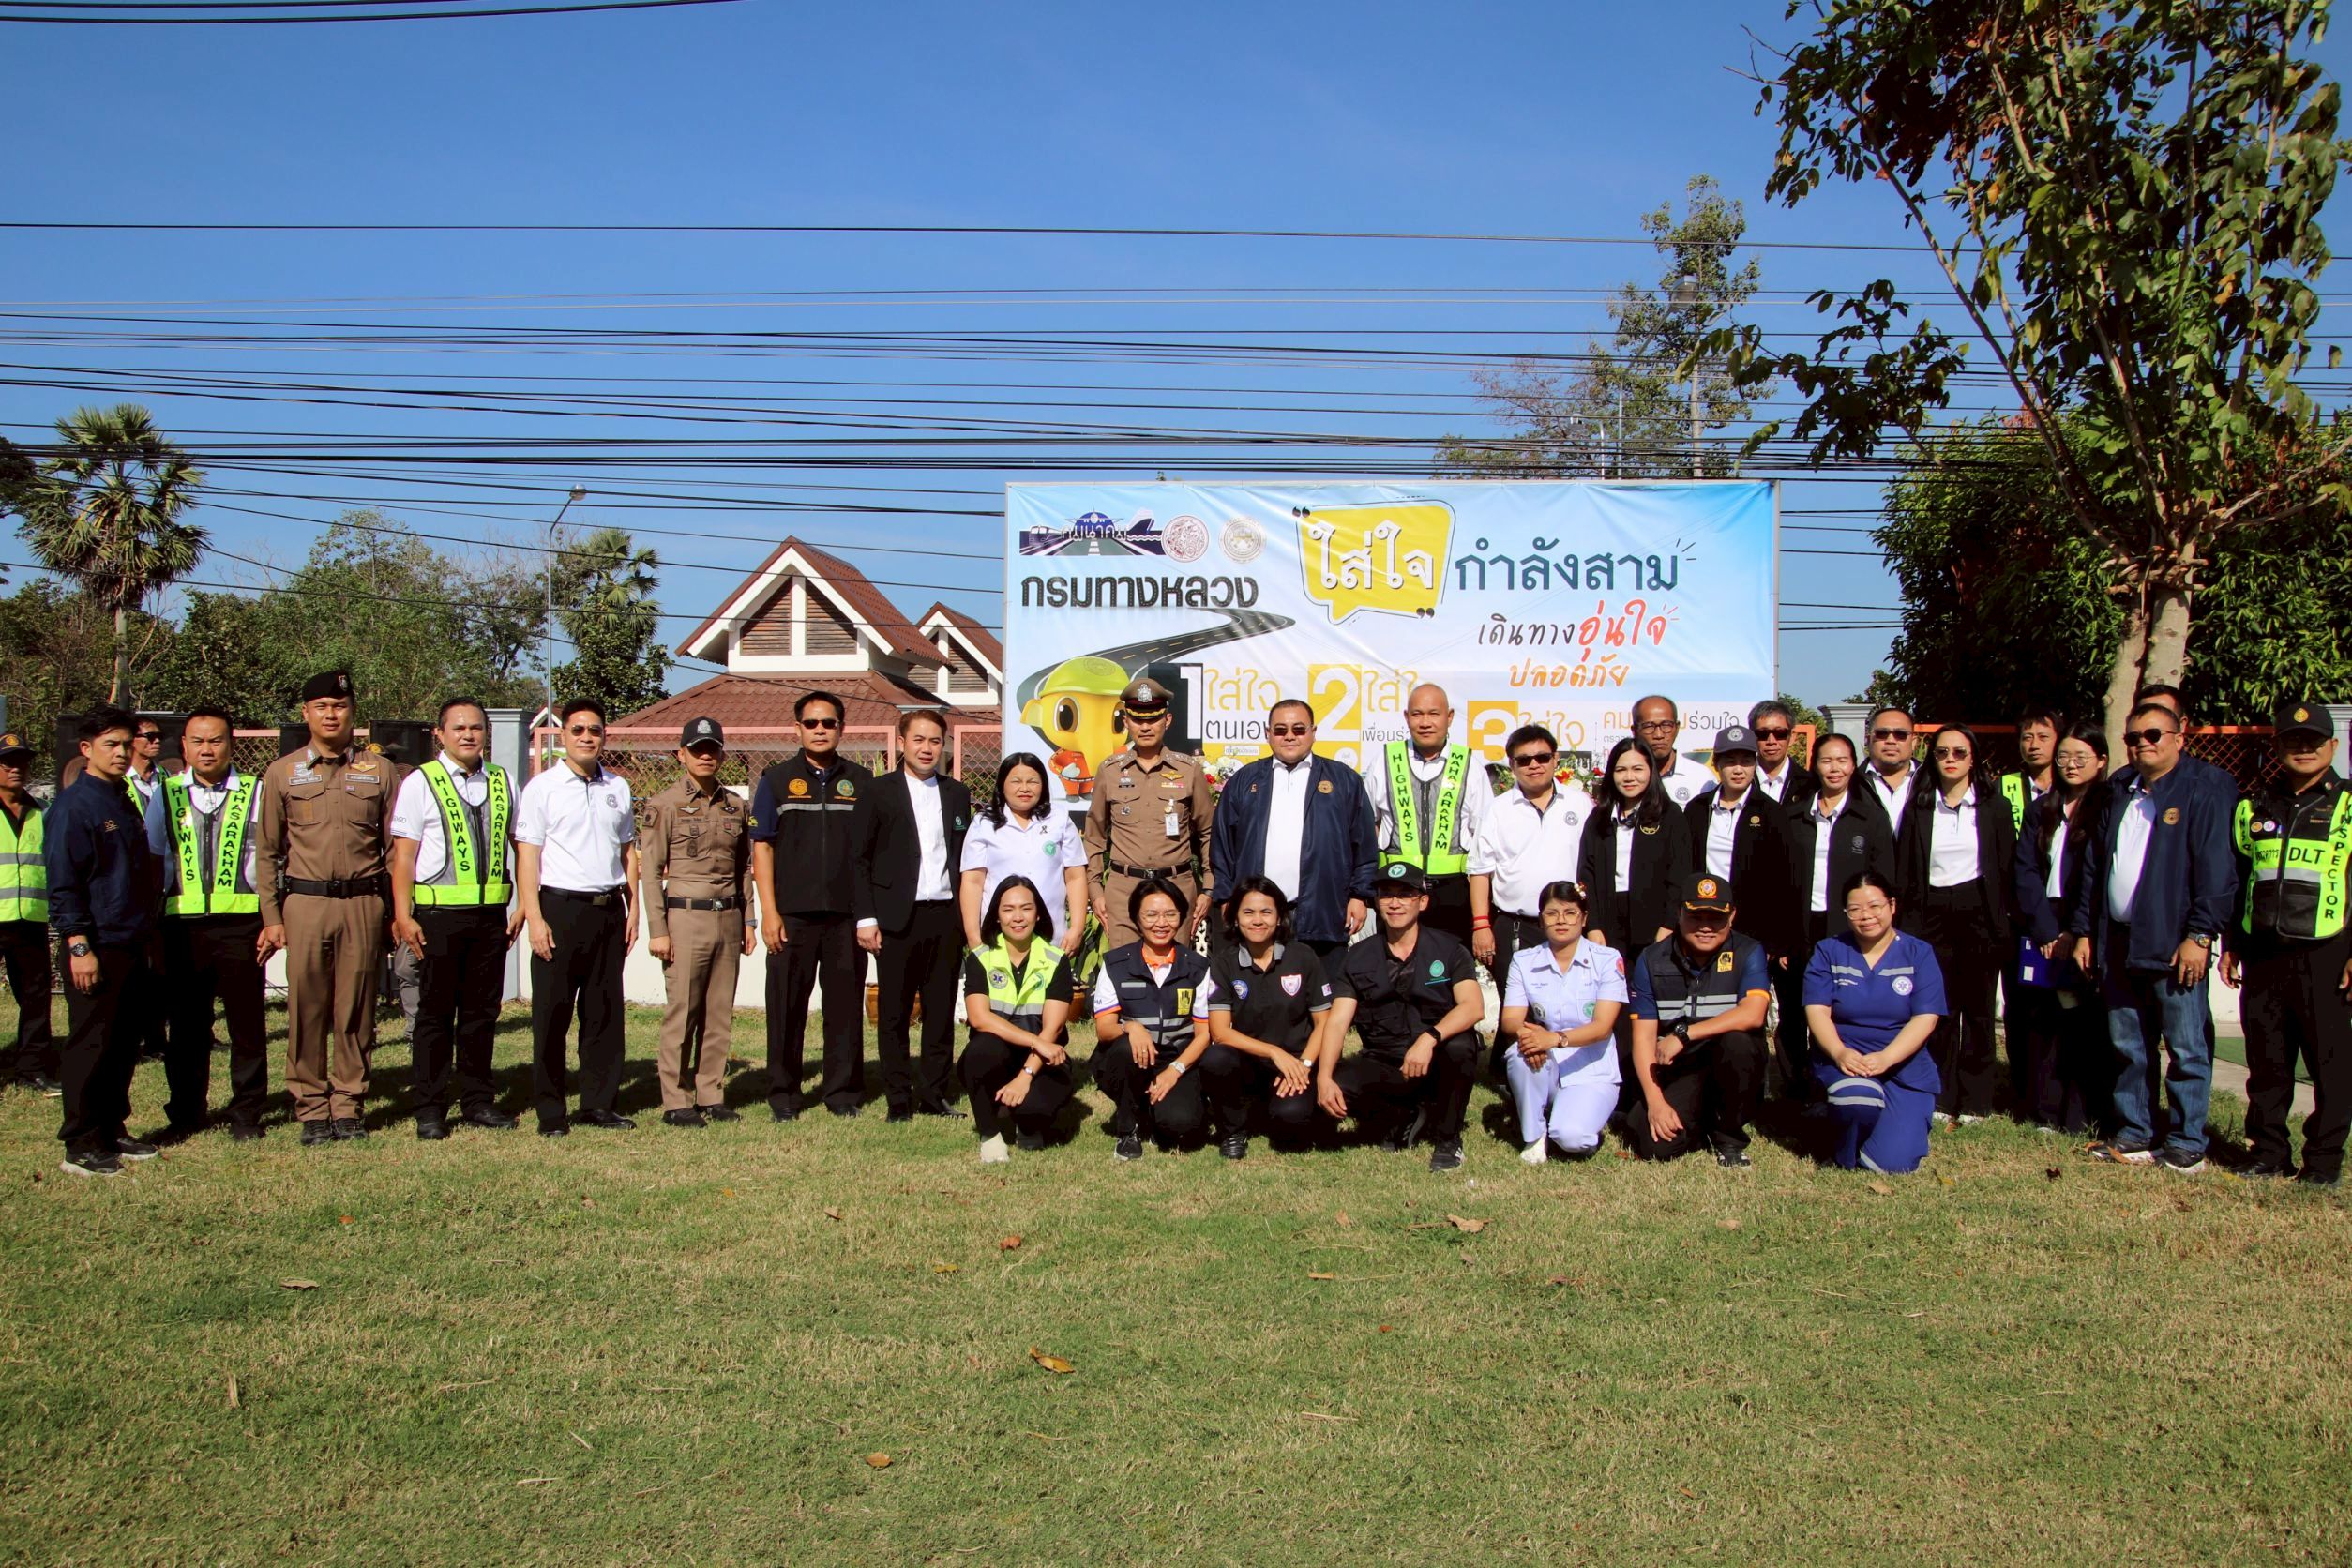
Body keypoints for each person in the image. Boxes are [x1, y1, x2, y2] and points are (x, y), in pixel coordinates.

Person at [2061, 701, 2235, 1170]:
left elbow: (2217, 870)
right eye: (2134, 738)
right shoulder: (2120, 788)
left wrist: (2200, 934)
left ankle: (2187, 1141)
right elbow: (2095, 866)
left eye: (2153, 735)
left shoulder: (2205, 786)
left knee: (2186, 1048)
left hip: (2174, 942)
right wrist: (2084, 932)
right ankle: (2136, 1132)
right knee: (2129, 1046)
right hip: (2118, 940)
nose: (2143, 744)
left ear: (2179, 737)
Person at [255, 671, 394, 1145]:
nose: (331, 714)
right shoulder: (282, 772)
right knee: (306, 1009)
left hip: (363, 903)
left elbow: (394, 849)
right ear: (306, 714)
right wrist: (272, 916)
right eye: (321, 707)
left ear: (352, 711)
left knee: (357, 1008)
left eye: (339, 706)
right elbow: (267, 851)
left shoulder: (379, 771)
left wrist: (395, 912)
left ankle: (348, 1102)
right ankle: (312, 1105)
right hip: (307, 904)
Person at [2222, 701, 2350, 1186]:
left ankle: (2323, 1162)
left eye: (2314, 740)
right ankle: (2269, 1152)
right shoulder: (2253, 805)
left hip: (2327, 953)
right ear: (2277, 747)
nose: (2304, 748)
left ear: (2332, 745)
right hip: (2263, 953)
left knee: (2330, 1065)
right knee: (2267, 1061)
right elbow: (2239, 881)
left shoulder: (2349, 804)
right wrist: (2232, 943)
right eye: (2293, 740)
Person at [388, 696, 521, 1139]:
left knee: (482, 1014)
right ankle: (430, 1107)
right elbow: (403, 857)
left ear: (486, 733)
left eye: (476, 728)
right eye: (459, 728)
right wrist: (403, 914)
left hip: (490, 918)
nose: (468, 735)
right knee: (435, 1015)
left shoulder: (502, 780)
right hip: (438, 917)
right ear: (439, 734)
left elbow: (522, 847)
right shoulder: (420, 782)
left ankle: (478, 1101)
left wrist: (524, 903)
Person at [515, 696, 641, 1137]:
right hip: (560, 910)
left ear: (605, 735)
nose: (587, 737)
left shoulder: (618, 787)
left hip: (608, 911)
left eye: (595, 730)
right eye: (578, 730)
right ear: (563, 735)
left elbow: (628, 852)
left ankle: (598, 1105)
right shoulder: (542, 788)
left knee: (604, 1014)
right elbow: (528, 857)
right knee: (552, 1016)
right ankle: (551, 1111)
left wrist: (634, 909)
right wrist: (534, 918)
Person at [45, 707, 160, 1177]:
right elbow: (64, 883)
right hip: (96, 944)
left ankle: (111, 1127)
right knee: (91, 1043)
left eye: (127, 744)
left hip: (130, 940)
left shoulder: (122, 799)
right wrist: (78, 945)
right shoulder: (74, 807)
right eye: (111, 744)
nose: (121, 752)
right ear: (86, 749)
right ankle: (80, 1142)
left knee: (123, 1042)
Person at [145, 705, 266, 1142]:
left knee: (246, 1026)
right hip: (183, 928)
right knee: (187, 1027)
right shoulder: (165, 793)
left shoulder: (256, 790)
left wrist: (272, 920)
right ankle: (185, 1112)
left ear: (231, 744)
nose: (207, 749)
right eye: (197, 741)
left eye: (216, 740)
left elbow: (273, 859)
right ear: (184, 746)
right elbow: (152, 862)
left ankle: (246, 1113)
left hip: (242, 925)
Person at [749, 689, 870, 1121]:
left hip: (845, 917)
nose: (820, 730)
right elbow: (761, 847)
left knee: (844, 1010)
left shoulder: (861, 781)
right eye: (812, 723)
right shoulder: (776, 780)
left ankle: (842, 1093)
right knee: (785, 1008)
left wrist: (867, 915)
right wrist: (769, 912)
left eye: (829, 723)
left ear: (842, 728)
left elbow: (870, 850)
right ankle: (784, 1093)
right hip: (791, 917)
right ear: (797, 728)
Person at [1319, 861, 1484, 1172]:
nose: (1394, 903)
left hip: (1435, 1059)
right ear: (1377, 902)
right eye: (1386, 895)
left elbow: (1473, 1007)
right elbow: (1337, 1022)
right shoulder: (1357, 957)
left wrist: (1429, 1039)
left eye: (1405, 895)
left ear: (1423, 902)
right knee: (1339, 1086)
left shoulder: (1450, 949)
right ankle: (1401, 1114)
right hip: (1386, 1061)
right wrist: (1324, 1077)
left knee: (1461, 1046)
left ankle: (1448, 1139)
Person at [853, 707, 972, 1121]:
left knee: (940, 1011)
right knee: (894, 1012)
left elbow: (962, 857)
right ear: (902, 743)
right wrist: (866, 918)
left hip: (945, 916)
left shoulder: (957, 794)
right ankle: (898, 1098)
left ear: (944, 746)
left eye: (935, 741)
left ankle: (934, 1094)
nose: (926, 748)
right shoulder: (877, 791)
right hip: (895, 918)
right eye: (918, 740)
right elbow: (860, 859)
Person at [1895, 723, 2015, 1125]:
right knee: (1939, 1010)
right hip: (1931, 914)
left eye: (1959, 753)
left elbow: (2005, 868)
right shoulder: (1919, 806)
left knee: (1979, 1010)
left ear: (1973, 758)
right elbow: (1906, 869)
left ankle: (1977, 1100)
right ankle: (1942, 1095)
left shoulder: (1994, 806)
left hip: (1979, 911)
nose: (1950, 760)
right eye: (1942, 752)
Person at [641, 717, 754, 1129]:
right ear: (681, 754)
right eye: (697, 749)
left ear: (722, 754)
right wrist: (658, 930)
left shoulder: (735, 805)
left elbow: (744, 867)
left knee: (719, 1011)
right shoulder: (664, 804)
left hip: (728, 917)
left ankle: (711, 1094)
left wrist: (749, 919)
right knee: (683, 1011)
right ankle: (675, 1100)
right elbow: (650, 873)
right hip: (685, 917)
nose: (706, 756)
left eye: (712, 749)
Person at [1207, 699, 1376, 958]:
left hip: (1322, 914)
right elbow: (1222, 847)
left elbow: (1364, 847)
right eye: (1280, 730)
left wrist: (1359, 896)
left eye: (1298, 729)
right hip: (1258, 918)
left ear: (1313, 732)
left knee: (1322, 984)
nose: (1289, 736)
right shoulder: (1244, 781)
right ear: (1268, 733)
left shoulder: (1344, 780)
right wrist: (1227, 897)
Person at [1778, 733, 1895, 1103]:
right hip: (1799, 926)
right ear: (1814, 765)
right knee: (1794, 1011)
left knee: (1838, 1011)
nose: (1835, 768)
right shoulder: (1793, 816)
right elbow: (1776, 879)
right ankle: (1795, 1090)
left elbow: (1884, 879)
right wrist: (1780, 939)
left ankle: (1836, 1083)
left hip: (1847, 929)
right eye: (1827, 760)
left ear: (1853, 765)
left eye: (1842, 760)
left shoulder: (1869, 818)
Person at [1803, 872, 1947, 1173]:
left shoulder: (1918, 953)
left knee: (1893, 1164)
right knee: (1857, 1098)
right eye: (1855, 909)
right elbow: (1817, 1012)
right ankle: (1838, 1141)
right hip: (1848, 1058)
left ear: (1892, 906)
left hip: (1902, 1064)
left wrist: (1887, 1058)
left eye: (1874, 906)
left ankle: (1870, 1129)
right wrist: (1839, 1052)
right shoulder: (1829, 951)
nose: (1866, 916)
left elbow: (1926, 1018)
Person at [1625, 875, 1772, 1167]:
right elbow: (1643, 1038)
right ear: (1679, 913)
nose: (1705, 926)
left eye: (1716, 917)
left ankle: (1729, 1136)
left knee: (1739, 1042)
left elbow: (1753, 1014)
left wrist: (1684, 1034)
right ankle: (1702, 1119)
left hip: (1729, 1061)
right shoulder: (1651, 959)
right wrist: (1655, 1102)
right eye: (1696, 916)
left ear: (1732, 916)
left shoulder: (1749, 951)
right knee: (1656, 1147)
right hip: (1681, 1071)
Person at [2013, 721, 2112, 1135]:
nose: (2070, 765)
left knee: (2084, 1021)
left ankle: (2082, 1112)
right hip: (2045, 923)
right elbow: (2025, 870)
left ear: (2101, 761)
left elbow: (2098, 874)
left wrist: (2077, 930)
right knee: (2044, 1019)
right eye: (2065, 757)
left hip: (2086, 925)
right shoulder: (2043, 808)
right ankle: (2045, 1110)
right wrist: (2047, 930)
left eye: (2080, 757)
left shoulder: (2109, 808)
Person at [1196, 877, 1337, 1158]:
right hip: (1249, 1062)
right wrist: (1273, 1052)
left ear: (1280, 917)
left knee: (1290, 1124)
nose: (1257, 920)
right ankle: (1233, 1130)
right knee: (1215, 1058)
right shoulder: (1224, 962)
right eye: (1248, 912)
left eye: (1266, 912)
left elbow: (1325, 1023)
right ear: (1235, 918)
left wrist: (1304, 1065)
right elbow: (1220, 1032)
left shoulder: (1303, 956)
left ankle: (1284, 1107)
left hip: (1296, 1063)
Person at [1495, 880, 1626, 1164]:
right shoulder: (1524, 961)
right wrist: (1530, 1038)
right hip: (1547, 1060)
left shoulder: (1607, 959)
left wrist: (1554, 1039)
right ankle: (1534, 1135)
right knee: (1519, 1053)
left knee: (1571, 1139)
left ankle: (1575, 1118)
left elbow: (1602, 1027)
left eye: (1570, 913)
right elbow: (1510, 1020)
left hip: (1592, 1069)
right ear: (1541, 920)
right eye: (1552, 913)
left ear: (1584, 918)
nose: (1561, 921)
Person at [1083, 676, 1215, 950]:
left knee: (1174, 970)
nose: (1145, 727)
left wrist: (1209, 888)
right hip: (1123, 891)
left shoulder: (1188, 770)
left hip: (1176, 888)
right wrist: (1095, 889)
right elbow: (1094, 835)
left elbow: (1208, 832)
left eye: (1153, 719)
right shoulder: (1110, 770)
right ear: (1126, 722)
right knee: (1125, 970)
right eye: (1138, 719)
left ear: (1167, 720)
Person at [1090, 876, 1213, 1160]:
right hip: (1130, 1058)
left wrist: (1175, 1071)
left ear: (1181, 917)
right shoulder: (1116, 963)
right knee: (1125, 1047)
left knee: (1181, 1125)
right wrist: (1131, 1027)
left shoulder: (1197, 967)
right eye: (1151, 915)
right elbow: (1104, 1029)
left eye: (1170, 914)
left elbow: (1204, 1034)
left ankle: (1155, 1111)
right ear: (1136, 918)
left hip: (1175, 1059)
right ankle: (1128, 1129)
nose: (1161, 923)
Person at [957, 875, 1075, 1162]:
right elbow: (979, 1018)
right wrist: (1036, 1041)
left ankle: (1027, 1122)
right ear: (996, 916)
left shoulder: (1056, 960)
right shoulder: (980, 958)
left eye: (1026, 908)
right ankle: (989, 1134)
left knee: (1035, 1109)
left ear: (1038, 914)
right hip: (997, 1054)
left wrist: (1025, 1076)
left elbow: (1053, 1028)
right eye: (1008, 909)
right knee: (980, 1051)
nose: (1018, 917)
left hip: (1042, 1061)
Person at [1364, 684, 1491, 948]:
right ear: (1406, 717)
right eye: (1417, 714)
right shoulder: (1384, 760)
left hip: (1452, 893)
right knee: (1395, 966)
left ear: (1450, 717)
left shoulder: (1470, 765)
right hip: (1396, 888)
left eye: (1434, 713)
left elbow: (1483, 838)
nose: (1425, 722)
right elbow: (1366, 827)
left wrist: (1481, 918)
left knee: (1448, 968)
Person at [1470, 723, 1595, 981]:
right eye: (1524, 760)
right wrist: (1481, 924)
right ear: (1512, 765)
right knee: (1515, 1002)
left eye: (1542, 757)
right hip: (1516, 927)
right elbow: (1480, 871)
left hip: (1570, 926)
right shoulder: (1497, 809)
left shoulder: (1580, 803)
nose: (1534, 765)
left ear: (1555, 759)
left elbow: (1595, 864)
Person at [1683, 724, 1795, 960]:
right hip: (1704, 920)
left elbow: (1783, 880)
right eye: (1730, 762)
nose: (1738, 770)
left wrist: (1775, 941)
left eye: (1746, 762)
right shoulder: (1697, 809)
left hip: (1752, 928)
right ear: (1717, 765)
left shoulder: (1771, 813)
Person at [1578, 737, 1691, 968]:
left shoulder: (1669, 815)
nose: (1629, 777)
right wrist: (1594, 926)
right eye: (1621, 770)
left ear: (1651, 771)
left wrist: (1669, 925)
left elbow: (1680, 874)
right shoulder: (1599, 818)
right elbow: (1587, 874)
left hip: (1654, 924)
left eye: (1637, 769)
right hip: (1609, 922)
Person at [961, 751, 1085, 949]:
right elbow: (972, 882)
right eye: (1016, 782)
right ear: (1002, 786)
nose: (1025, 788)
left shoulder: (1059, 819)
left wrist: (1077, 928)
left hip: (1052, 937)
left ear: (1043, 785)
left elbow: (1075, 876)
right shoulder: (983, 823)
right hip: (998, 938)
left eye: (1033, 782)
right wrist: (973, 936)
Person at [0, 732, 57, 1094]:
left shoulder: (43, 812)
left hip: (31, 919)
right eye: (7, 763)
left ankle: (33, 1067)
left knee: (36, 997)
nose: (16, 769)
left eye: (21, 762)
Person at [1632, 694, 1707, 809]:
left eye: (1666, 725)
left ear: (1677, 728)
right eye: (1648, 726)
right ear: (1635, 731)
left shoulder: (1701, 777)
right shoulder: (1625, 779)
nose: (1658, 735)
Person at [1999, 706, 2063, 831]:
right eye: (2027, 738)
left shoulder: (2070, 787)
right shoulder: (2003, 786)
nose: (2034, 745)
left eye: (2043, 737)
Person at [1862, 705, 1920, 836]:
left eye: (1900, 734)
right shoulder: (1852, 784)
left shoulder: (1931, 782)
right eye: (1882, 734)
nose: (1891, 741)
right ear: (1868, 740)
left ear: (1913, 742)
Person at [1748, 699, 1813, 810]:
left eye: (1780, 733)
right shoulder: (1741, 782)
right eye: (1763, 733)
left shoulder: (1809, 785)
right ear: (1752, 736)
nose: (1771, 741)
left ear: (1792, 737)